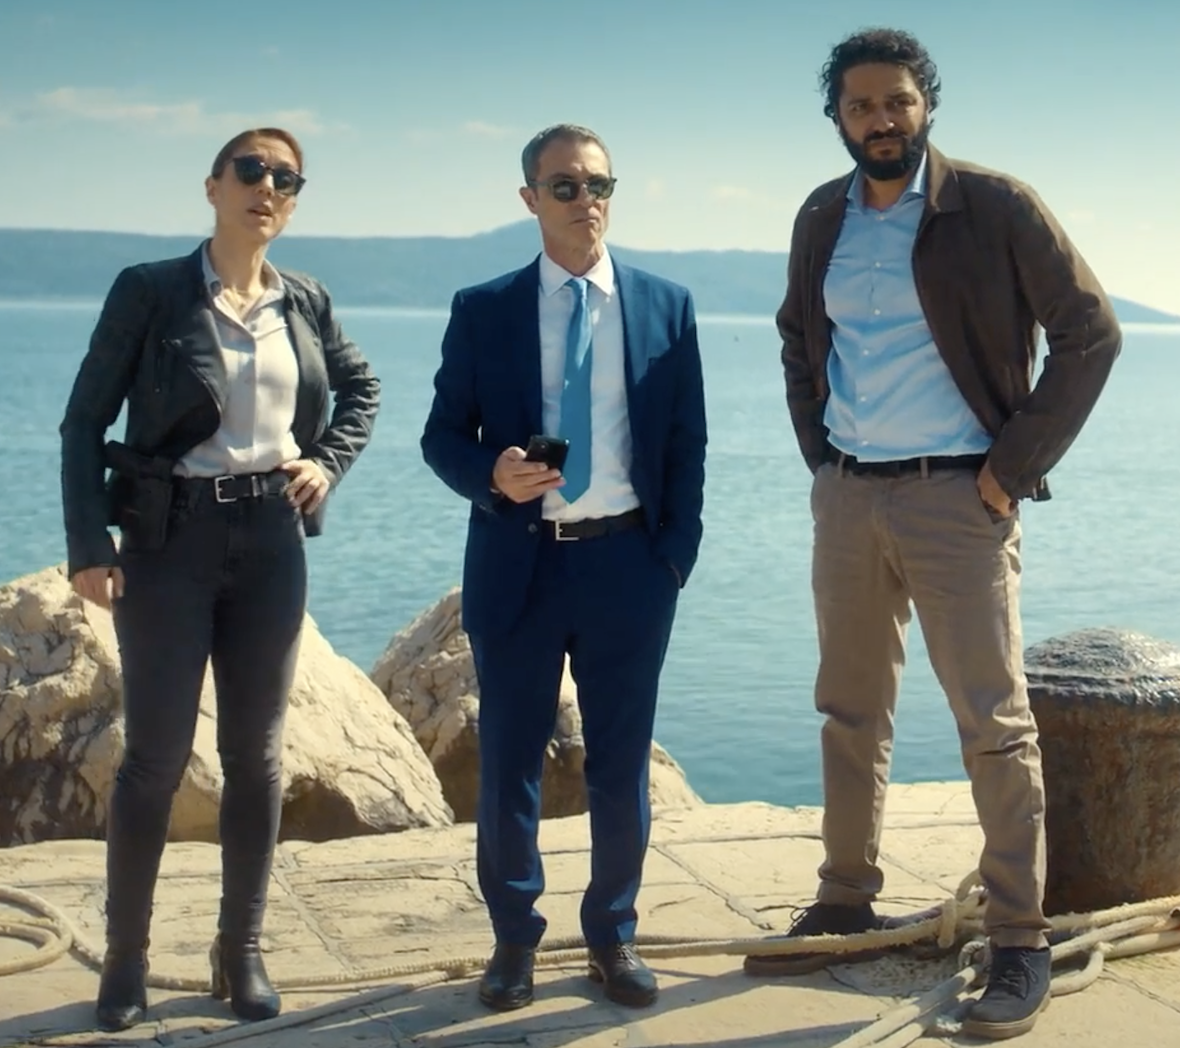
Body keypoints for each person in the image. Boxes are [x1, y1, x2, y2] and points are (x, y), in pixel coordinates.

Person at [752, 28, 1122, 1041]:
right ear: (837, 118)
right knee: (849, 708)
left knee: (992, 724)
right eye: (861, 104)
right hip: (850, 497)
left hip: (962, 499)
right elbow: (796, 336)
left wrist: (1010, 472)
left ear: (927, 107)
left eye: (898, 101)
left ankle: (1017, 938)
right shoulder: (821, 215)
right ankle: (842, 897)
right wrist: (820, 456)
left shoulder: (995, 206)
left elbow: (1093, 332)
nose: (881, 118)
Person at [59, 127, 380, 1032]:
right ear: (212, 186)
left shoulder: (304, 300)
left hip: (274, 543)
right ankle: (126, 960)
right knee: (155, 760)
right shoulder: (152, 292)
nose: (267, 186)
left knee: (258, 759)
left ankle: (238, 951)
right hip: (170, 540)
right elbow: (84, 420)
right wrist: (91, 542)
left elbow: (361, 389)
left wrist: (326, 461)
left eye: (286, 177)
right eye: (251, 170)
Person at [420, 124, 706, 1012]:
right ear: (530, 200)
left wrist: (674, 556)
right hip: (520, 566)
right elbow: (439, 438)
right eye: (565, 187)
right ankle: (512, 941)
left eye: (598, 184)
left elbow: (688, 441)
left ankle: (614, 937)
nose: (586, 201)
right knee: (510, 762)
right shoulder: (485, 308)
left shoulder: (666, 304)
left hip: (629, 566)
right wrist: (491, 475)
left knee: (621, 765)